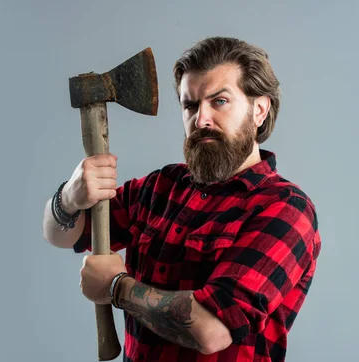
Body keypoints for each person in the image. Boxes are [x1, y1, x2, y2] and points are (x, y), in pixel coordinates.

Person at [42, 36, 321, 362]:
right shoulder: (160, 187)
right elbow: (62, 235)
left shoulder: (285, 209)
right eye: (190, 105)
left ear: (259, 110)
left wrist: (116, 287)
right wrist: (69, 197)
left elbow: (211, 330)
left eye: (219, 101)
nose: (201, 119)